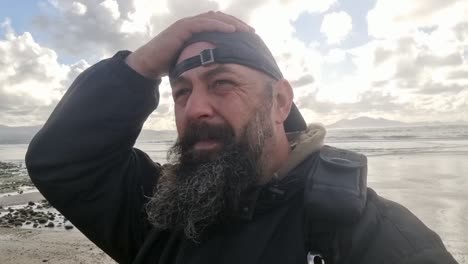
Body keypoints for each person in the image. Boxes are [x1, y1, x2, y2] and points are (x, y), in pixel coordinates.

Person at [25, 11, 457, 264]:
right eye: (181, 92)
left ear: (280, 102)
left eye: (222, 83)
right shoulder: (163, 212)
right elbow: (63, 161)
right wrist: (140, 66)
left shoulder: (374, 236)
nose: (195, 108)